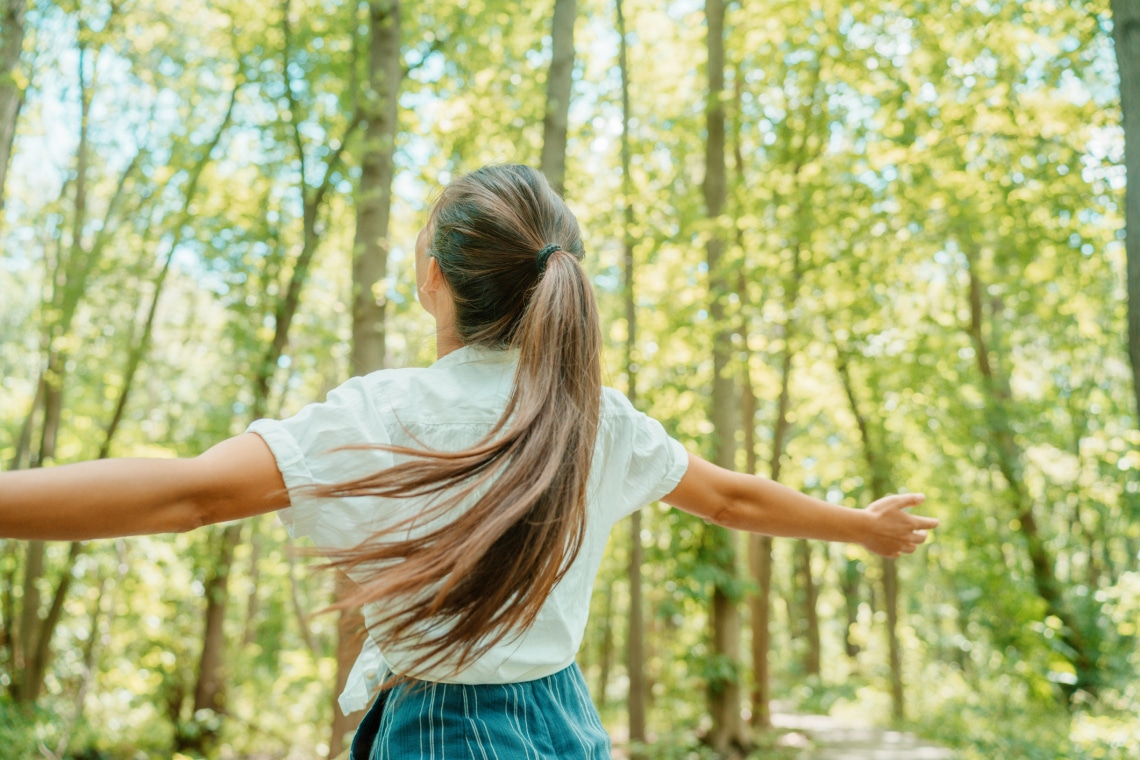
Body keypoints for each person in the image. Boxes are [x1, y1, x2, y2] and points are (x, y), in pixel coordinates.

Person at [0, 164, 937, 759]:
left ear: (433, 277)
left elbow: (187, 495)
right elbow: (732, 500)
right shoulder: (598, 420)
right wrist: (860, 524)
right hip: (566, 723)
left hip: (444, 734)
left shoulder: (385, 412)